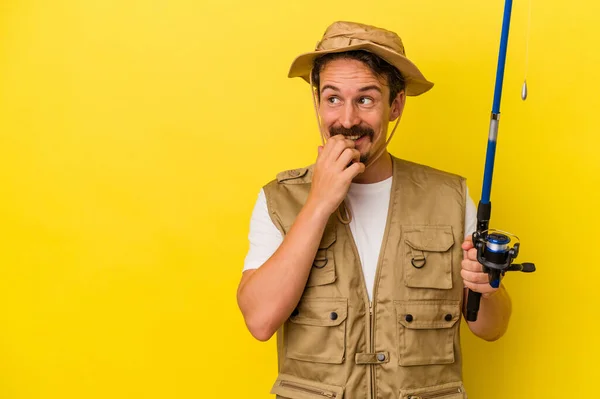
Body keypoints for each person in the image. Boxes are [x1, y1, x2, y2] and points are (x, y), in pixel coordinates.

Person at [237, 21, 512, 399]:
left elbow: (491, 328)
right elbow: (259, 320)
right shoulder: (278, 200)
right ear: (317, 102)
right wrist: (318, 202)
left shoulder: (449, 196)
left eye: (365, 99)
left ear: (395, 105)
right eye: (333, 98)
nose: (347, 120)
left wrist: (489, 290)